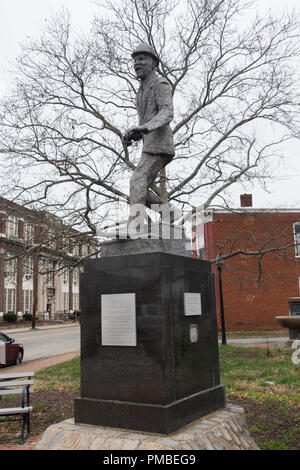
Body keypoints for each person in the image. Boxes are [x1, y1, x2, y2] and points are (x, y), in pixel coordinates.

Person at [123, 43, 179, 232]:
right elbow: (149, 117)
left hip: (160, 144)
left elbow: (167, 112)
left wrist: (144, 128)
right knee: (138, 189)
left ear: (153, 63)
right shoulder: (142, 89)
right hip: (149, 143)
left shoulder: (160, 84)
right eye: (135, 60)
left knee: (137, 181)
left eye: (141, 59)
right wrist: (136, 133)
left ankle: (135, 227)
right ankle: (168, 211)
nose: (136, 64)